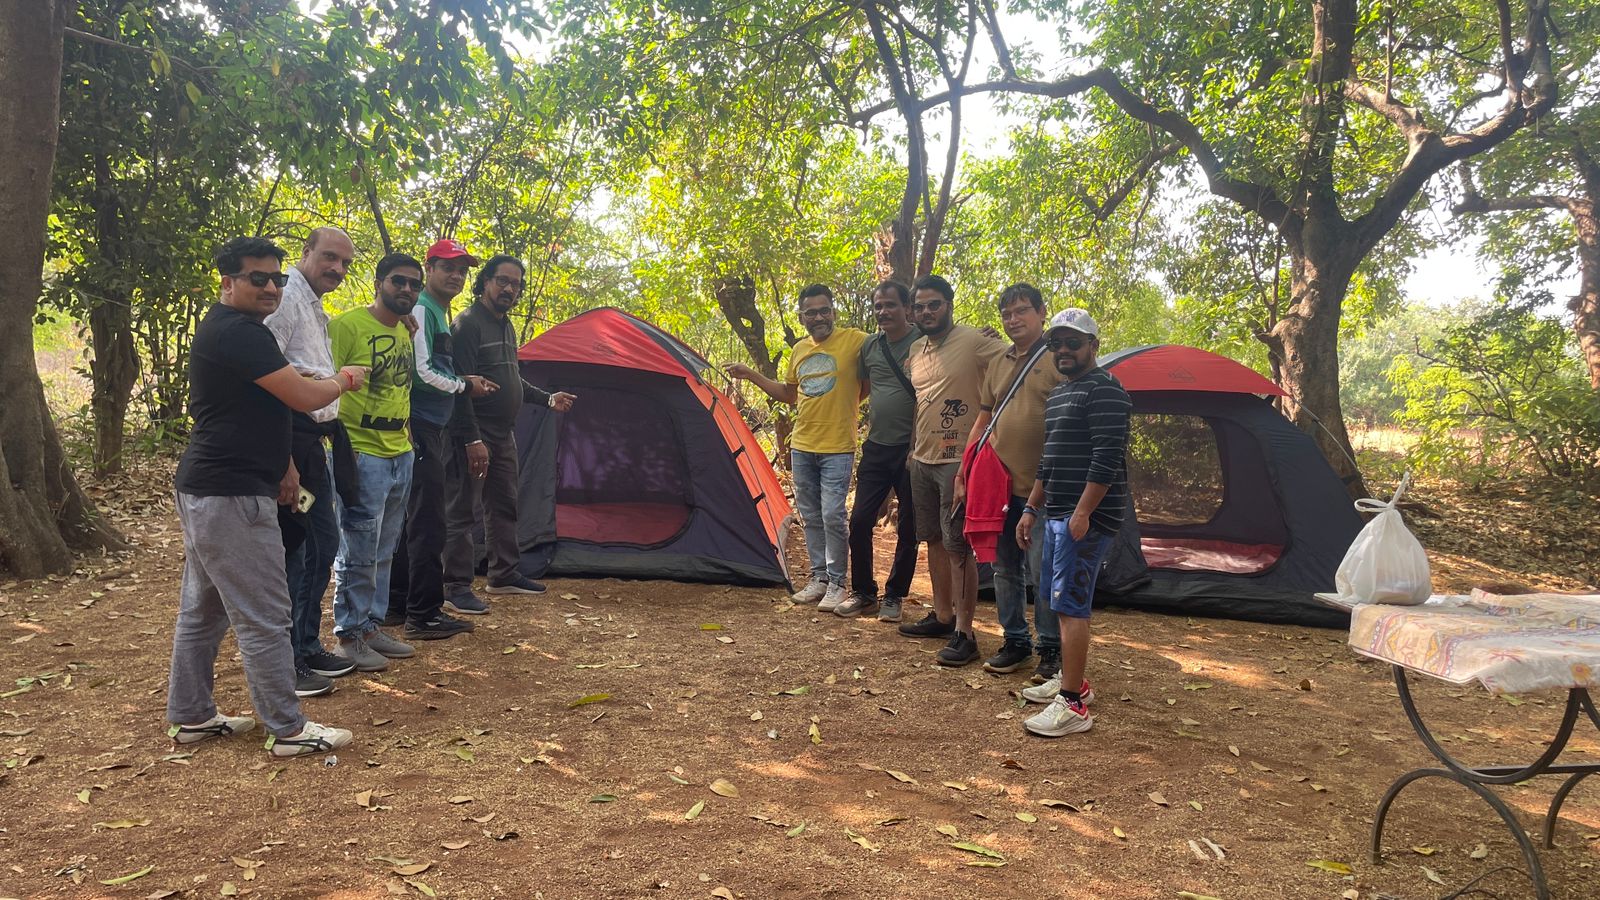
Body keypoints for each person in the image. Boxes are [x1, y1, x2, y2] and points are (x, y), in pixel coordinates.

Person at [165, 235, 361, 758]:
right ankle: (288, 729)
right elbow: (302, 396)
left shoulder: (235, 329)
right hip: (232, 492)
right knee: (266, 614)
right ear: (228, 282)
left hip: (213, 488)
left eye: (277, 278)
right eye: (259, 278)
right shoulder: (239, 332)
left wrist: (285, 464)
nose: (271, 287)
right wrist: (343, 379)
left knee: (204, 611)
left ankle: (191, 716)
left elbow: (268, 402)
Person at [1016, 309, 1132, 737]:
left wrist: (1083, 512)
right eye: (1056, 343)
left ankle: (1073, 705)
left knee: (1070, 604)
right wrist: (1031, 508)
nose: (1063, 350)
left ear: (1093, 346)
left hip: (1086, 517)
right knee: (1054, 598)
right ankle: (1073, 681)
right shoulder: (1061, 393)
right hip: (1056, 513)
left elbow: (1107, 458)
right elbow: (1049, 459)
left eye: (1073, 342)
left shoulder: (1106, 391)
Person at [443, 255, 576, 611]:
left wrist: (547, 399)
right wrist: (471, 439)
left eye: (515, 284)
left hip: (503, 434)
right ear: (485, 281)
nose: (509, 289)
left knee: (504, 505)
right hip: (474, 434)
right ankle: (455, 587)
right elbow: (458, 387)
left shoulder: (505, 326)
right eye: (502, 281)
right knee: (462, 511)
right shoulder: (467, 325)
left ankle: (503, 574)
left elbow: (510, 378)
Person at [727, 284, 867, 611]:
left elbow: (873, 375)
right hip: (803, 445)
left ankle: (837, 583)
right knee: (812, 516)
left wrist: (849, 404)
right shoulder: (800, 350)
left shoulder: (856, 341)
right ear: (802, 318)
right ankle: (819, 579)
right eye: (811, 313)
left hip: (838, 445)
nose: (818, 317)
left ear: (833, 312)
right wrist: (750, 374)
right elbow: (789, 394)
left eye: (824, 310)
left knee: (833, 514)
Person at [263, 226, 360, 698]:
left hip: (315, 446)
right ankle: (288, 661)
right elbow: (266, 380)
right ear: (306, 253)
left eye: (344, 263)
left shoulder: (313, 304)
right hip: (292, 445)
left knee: (323, 544)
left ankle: (306, 643)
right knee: (298, 551)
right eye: (329, 258)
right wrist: (284, 460)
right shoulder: (283, 299)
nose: (337, 269)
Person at [954, 284, 1064, 681]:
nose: (1013, 319)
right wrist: (964, 471)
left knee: (1042, 570)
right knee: (1005, 568)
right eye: (1007, 313)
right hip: (999, 486)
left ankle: (1050, 649)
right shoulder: (999, 361)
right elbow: (983, 419)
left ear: (1041, 312)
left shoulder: (1058, 358)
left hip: (1045, 489)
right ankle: (1015, 641)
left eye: (1021, 311)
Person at [897, 274, 1007, 665]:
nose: (927, 311)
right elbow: (922, 402)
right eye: (920, 306)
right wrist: (912, 449)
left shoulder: (975, 340)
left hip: (959, 461)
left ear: (949, 305)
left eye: (934, 304)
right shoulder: (917, 349)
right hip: (922, 460)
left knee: (959, 546)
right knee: (933, 539)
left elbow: (1015, 361)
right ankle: (943, 615)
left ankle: (965, 632)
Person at [327, 253, 426, 672]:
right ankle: (348, 634)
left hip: (399, 450)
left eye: (414, 284)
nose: (406, 289)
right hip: (361, 450)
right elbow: (322, 384)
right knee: (358, 546)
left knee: (385, 547)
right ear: (378, 282)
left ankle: (371, 626)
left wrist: (408, 439)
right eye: (398, 281)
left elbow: (402, 386)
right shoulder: (346, 326)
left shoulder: (405, 329)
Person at [395, 239, 497, 641]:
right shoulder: (422, 308)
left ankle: (397, 604)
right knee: (427, 521)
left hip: (431, 426)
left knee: (415, 518)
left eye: (462, 270)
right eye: (448, 268)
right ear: (430, 269)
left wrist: (461, 381)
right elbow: (421, 373)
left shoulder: (437, 311)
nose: (456, 276)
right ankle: (422, 614)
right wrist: (464, 385)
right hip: (420, 426)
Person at [832, 280, 921, 622]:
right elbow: (865, 387)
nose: (883, 311)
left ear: (907, 308)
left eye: (890, 305)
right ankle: (864, 592)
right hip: (877, 447)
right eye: (878, 306)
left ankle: (895, 595)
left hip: (912, 449)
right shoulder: (871, 346)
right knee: (859, 521)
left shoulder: (923, 341)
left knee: (909, 527)